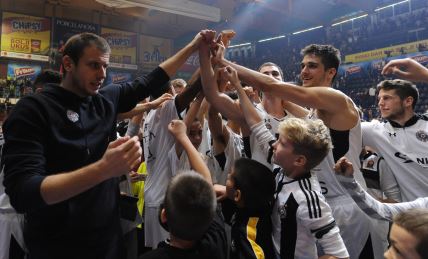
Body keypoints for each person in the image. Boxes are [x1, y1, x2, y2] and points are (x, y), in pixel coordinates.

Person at [1, 31, 213, 259]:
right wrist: (103, 169)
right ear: (68, 63)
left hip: (108, 244)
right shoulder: (33, 110)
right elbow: (23, 192)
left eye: (105, 66)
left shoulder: (104, 101)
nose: (102, 74)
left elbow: (152, 79)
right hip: (56, 246)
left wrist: (194, 45)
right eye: (93, 65)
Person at [213, 43, 378, 258]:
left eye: (312, 66)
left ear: (330, 72)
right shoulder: (311, 112)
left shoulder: (338, 100)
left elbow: (275, 87)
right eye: (302, 66)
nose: (303, 72)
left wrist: (223, 63)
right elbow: (277, 97)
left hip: (345, 203)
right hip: (315, 200)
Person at [221, 65, 348, 258]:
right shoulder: (283, 169)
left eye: (281, 142)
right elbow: (258, 126)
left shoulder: (309, 199)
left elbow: (338, 253)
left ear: (299, 160)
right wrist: (239, 87)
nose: (274, 144)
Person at [141, 119, 228, 259]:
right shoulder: (216, 243)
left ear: (164, 215)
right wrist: (182, 136)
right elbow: (206, 182)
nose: (197, 138)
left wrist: (182, 136)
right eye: (191, 134)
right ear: (210, 217)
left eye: (200, 133)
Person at [334, 158, 428, 259]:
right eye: (392, 246)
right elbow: (380, 210)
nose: (387, 255)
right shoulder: (424, 206)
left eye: (398, 251)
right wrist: (349, 181)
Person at [361, 79, 428, 201]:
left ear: (408, 101)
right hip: (413, 215)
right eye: (379, 99)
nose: (380, 103)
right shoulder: (375, 131)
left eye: (387, 98)